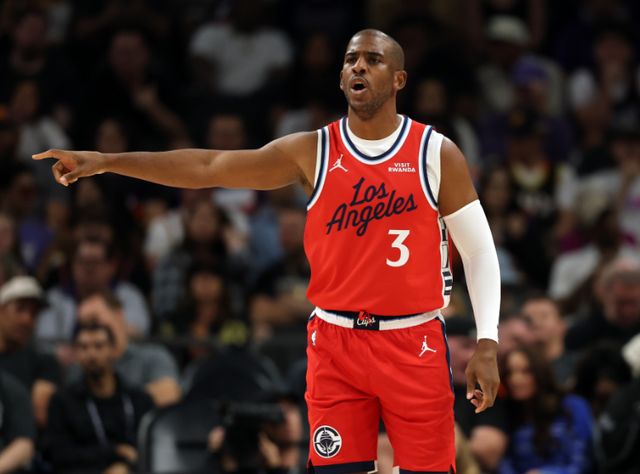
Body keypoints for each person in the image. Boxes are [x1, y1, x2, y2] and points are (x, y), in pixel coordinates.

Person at [34, 29, 501, 474]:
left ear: (398, 79)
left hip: (413, 338)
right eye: (351, 59)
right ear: (341, 78)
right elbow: (209, 165)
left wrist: (487, 341)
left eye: (373, 59)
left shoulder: (435, 153)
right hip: (336, 341)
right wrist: (108, 162)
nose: (359, 66)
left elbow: (479, 251)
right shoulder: (313, 151)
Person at [43, 321, 154, 474]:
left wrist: (126, 467)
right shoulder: (62, 401)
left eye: (99, 346)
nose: (92, 354)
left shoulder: (139, 399)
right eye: (84, 347)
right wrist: (115, 451)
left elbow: (152, 447)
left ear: (113, 350)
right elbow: (58, 454)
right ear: (76, 353)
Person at [498, 345, 594, 474]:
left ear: (540, 372)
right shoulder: (507, 412)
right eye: (510, 373)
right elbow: (504, 463)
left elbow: (583, 461)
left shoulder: (572, 406)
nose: (515, 379)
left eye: (526, 371)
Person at [0, 276, 60, 427]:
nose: (27, 320)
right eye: (20, 309)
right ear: (1, 310)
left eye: (34, 313)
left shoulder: (45, 363)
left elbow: (39, 417)